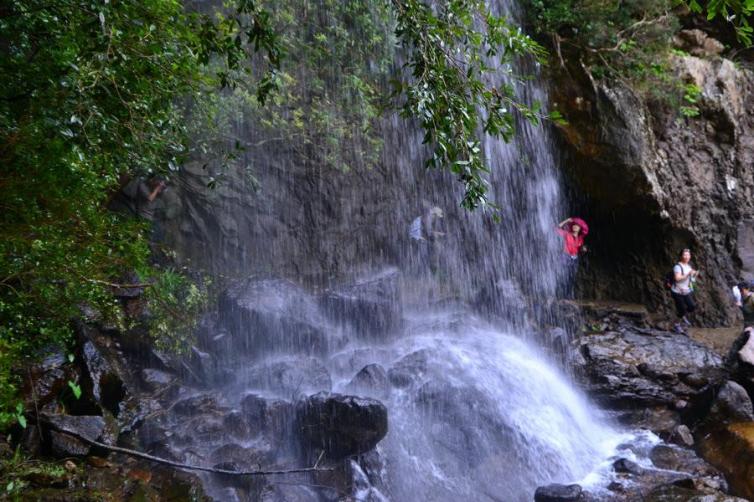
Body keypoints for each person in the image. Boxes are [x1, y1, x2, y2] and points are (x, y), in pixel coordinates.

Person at [671, 248, 699, 333]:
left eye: (688, 255)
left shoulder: (688, 266)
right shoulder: (677, 267)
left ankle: (682, 316)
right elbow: (677, 278)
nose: (687, 257)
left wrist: (694, 275)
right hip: (677, 292)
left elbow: (691, 279)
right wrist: (688, 274)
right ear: (681, 256)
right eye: (685, 255)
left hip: (686, 291)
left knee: (692, 306)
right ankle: (676, 325)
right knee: (682, 310)